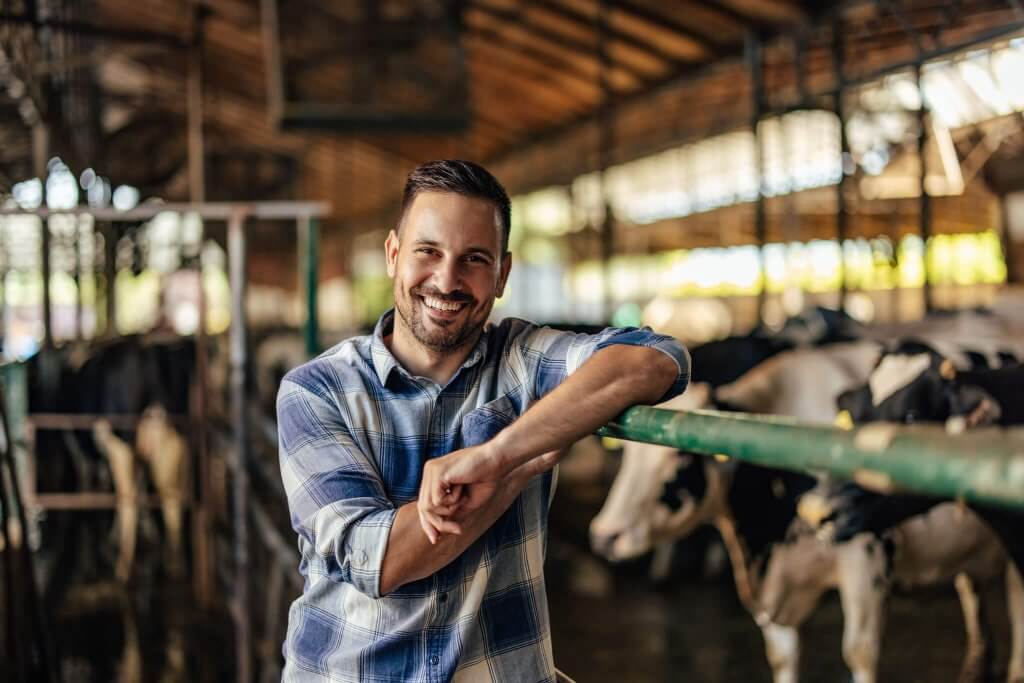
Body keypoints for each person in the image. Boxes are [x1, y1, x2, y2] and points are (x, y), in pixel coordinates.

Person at [278, 160, 689, 682]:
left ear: (503, 274)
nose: (446, 280)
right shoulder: (317, 389)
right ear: (393, 255)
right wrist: (514, 474)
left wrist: (495, 454)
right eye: (428, 252)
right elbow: (378, 562)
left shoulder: (523, 358)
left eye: (474, 258)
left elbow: (657, 359)